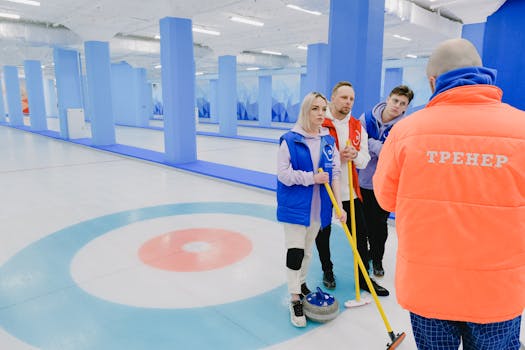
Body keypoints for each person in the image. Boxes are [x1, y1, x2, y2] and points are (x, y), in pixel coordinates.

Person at [373, 38, 525, 349]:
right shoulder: (521, 128)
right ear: (485, 74)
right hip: (497, 290)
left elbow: (385, 199)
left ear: (433, 81)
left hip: (428, 287)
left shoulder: (406, 131)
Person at [277, 91, 346, 327]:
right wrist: (311, 179)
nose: (320, 114)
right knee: (295, 251)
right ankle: (294, 296)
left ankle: (302, 283)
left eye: (323, 109)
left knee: (307, 250)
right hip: (296, 207)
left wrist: (339, 205)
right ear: (306, 111)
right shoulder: (290, 139)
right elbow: (283, 175)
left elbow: (335, 174)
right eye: (314, 109)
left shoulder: (328, 141)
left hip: (319, 208)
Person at [316, 81, 389, 297]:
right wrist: (337, 158)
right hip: (323, 189)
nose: (348, 102)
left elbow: (365, 161)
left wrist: (355, 155)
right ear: (333, 98)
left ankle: (364, 277)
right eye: (343, 97)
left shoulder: (357, 127)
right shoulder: (320, 122)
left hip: (349, 191)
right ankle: (327, 270)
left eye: (351, 99)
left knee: (360, 235)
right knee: (323, 232)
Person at [358, 85, 414, 277]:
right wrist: (379, 147)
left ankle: (378, 259)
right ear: (388, 99)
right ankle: (364, 257)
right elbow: (359, 143)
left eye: (402, 104)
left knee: (379, 227)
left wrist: (372, 144)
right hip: (362, 181)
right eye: (395, 101)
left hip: (385, 184)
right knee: (362, 225)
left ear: (406, 108)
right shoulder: (366, 118)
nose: (397, 106)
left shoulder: (404, 127)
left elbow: (391, 154)